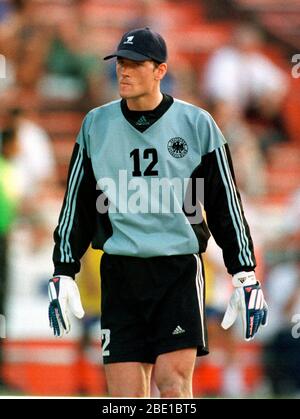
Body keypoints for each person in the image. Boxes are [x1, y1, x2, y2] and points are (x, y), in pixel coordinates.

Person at [47, 27, 268, 398]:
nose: (124, 72)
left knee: (173, 387)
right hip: (119, 272)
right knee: (126, 398)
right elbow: (77, 203)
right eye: (120, 63)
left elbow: (224, 202)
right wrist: (63, 269)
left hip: (177, 272)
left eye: (135, 64)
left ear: (160, 71)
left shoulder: (197, 125)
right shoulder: (95, 126)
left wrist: (243, 270)